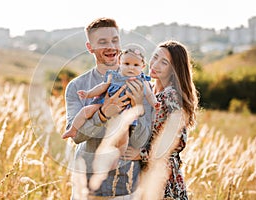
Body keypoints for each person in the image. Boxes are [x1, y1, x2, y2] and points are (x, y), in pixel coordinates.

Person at [64, 17, 153, 199]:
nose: (111, 46)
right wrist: (103, 114)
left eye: (115, 40)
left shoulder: (140, 85)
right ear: (90, 47)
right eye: (102, 42)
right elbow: (77, 136)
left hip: (126, 185)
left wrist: (136, 106)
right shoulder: (77, 86)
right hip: (88, 186)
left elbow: (142, 140)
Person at [123, 40, 199, 199]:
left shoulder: (171, 96)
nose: (155, 64)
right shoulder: (147, 88)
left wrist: (142, 154)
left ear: (173, 70)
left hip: (163, 178)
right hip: (141, 174)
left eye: (163, 62)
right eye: (155, 57)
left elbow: (178, 140)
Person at [62, 44, 156, 156]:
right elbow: (102, 87)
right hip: (103, 103)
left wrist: (154, 104)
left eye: (136, 65)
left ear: (142, 66)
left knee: (123, 134)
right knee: (86, 110)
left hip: (126, 111)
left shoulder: (142, 81)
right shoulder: (114, 76)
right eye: (127, 64)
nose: (131, 67)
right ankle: (72, 129)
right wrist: (88, 94)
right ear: (120, 62)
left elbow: (150, 95)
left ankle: (116, 158)